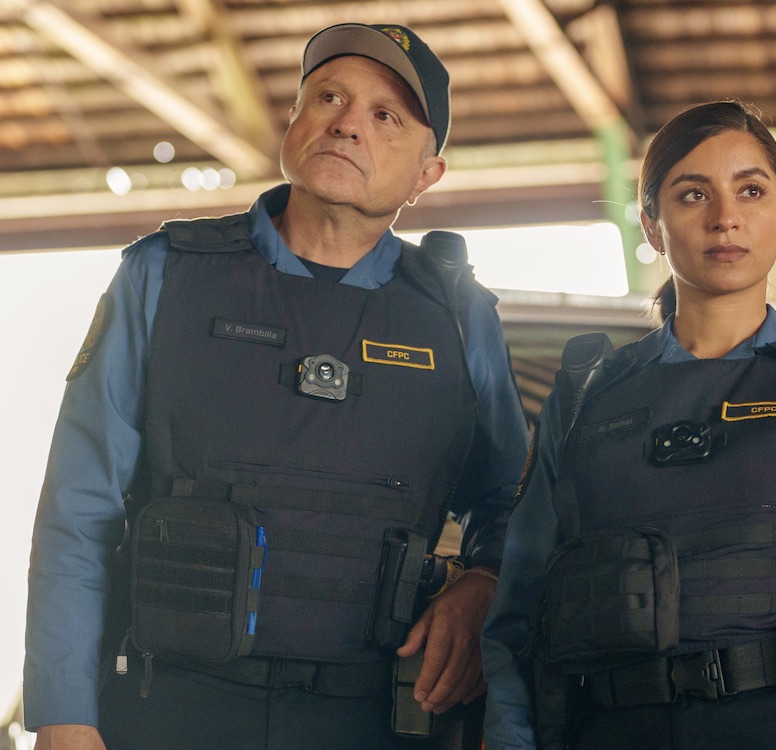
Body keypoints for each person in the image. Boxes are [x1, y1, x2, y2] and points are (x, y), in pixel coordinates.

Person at [24, 22, 530, 750]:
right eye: (327, 96)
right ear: (293, 121)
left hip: (371, 720)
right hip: (169, 708)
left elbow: (513, 503)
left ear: (427, 174)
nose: (348, 124)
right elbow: (79, 510)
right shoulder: (163, 275)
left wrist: (484, 578)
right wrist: (64, 716)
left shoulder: (458, 315)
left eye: (385, 115)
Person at [481, 100, 776, 750]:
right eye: (692, 194)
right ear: (652, 225)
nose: (725, 218)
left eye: (751, 190)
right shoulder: (585, 398)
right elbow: (519, 613)